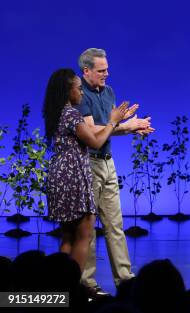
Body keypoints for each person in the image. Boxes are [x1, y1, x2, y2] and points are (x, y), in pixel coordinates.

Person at [76, 48, 154, 296]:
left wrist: (132, 126)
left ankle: (125, 280)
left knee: (115, 225)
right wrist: (126, 126)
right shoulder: (80, 94)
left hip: (108, 163)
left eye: (107, 69)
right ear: (86, 71)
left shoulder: (108, 92)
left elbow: (110, 128)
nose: (106, 74)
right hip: (88, 163)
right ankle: (87, 284)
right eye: (101, 71)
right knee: (87, 228)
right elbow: (91, 132)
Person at [43, 68, 128, 272]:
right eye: (78, 89)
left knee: (68, 236)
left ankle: (60, 289)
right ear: (67, 91)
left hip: (59, 174)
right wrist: (113, 121)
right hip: (73, 176)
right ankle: (73, 288)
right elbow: (96, 142)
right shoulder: (72, 114)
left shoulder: (55, 113)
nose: (82, 93)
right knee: (84, 235)